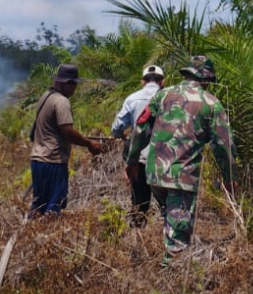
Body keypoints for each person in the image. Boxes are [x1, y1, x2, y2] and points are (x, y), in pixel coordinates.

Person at [126, 55, 236, 264]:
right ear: (205, 79)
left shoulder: (162, 95)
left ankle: (167, 263)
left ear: (186, 74)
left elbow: (141, 127)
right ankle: (171, 281)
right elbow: (223, 145)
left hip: (155, 173)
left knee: (171, 220)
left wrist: (132, 161)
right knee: (178, 239)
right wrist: (230, 177)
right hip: (181, 177)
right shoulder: (211, 104)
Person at [30, 63, 102, 217]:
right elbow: (67, 131)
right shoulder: (62, 101)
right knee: (53, 208)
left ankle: (30, 234)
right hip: (53, 161)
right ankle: (47, 239)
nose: (74, 90)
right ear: (67, 84)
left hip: (37, 159)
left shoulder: (45, 96)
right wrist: (89, 143)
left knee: (38, 206)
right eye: (73, 85)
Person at [111, 64, 165, 227]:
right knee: (168, 206)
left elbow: (116, 128)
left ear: (143, 81)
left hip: (138, 159)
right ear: (162, 81)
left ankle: (138, 236)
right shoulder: (169, 98)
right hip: (164, 159)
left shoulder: (132, 99)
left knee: (139, 204)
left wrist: (122, 136)